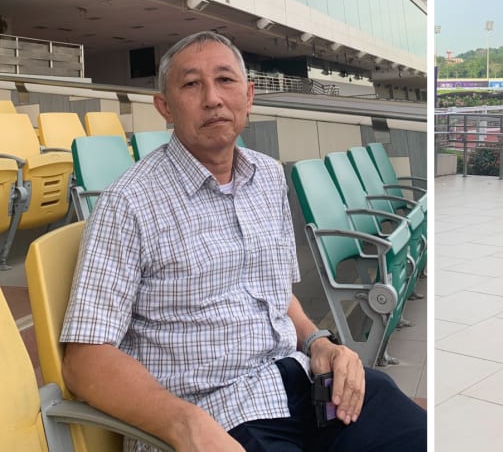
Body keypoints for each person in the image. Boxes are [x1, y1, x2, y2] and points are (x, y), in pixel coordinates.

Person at [61, 31, 426, 452]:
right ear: (164, 106)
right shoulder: (129, 203)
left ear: (249, 96)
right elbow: (84, 358)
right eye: (192, 84)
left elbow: (277, 296)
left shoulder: (268, 176)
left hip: (302, 383)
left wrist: (320, 342)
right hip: (215, 416)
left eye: (226, 80)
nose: (213, 98)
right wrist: (185, 423)